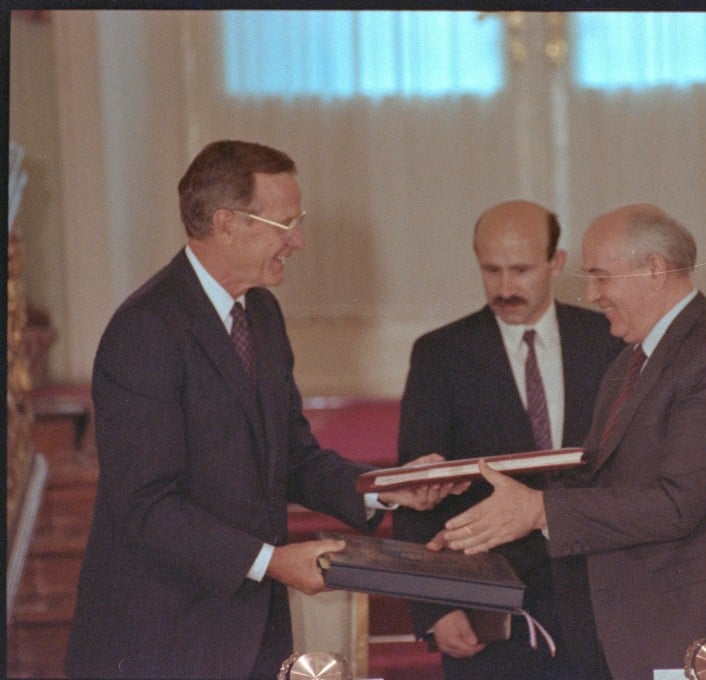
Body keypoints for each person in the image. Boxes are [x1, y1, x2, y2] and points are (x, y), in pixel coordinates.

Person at [64, 140, 462, 680]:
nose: (297, 242)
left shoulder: (262, 314)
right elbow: (146, 505)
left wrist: (384, 486)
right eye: (284, 224)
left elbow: (292, 456)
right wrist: (272, 562)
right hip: (162, 637)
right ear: (227, 223)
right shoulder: (145, 331)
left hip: (250, 630)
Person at [431, 204, 706, 680]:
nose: (593, 295)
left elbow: (678, 503)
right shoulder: (629, 363)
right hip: (655, 627)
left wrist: (537, 510)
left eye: (601, 278)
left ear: (655, 269)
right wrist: (483, 526)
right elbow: (602, 483)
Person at [392, 200, 624, 679]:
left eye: (520, 270)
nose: (505, 287)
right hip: (491, 611)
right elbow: (418, 487)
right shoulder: (440, 355)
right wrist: (434, 606)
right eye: (491, 270)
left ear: (556, 263)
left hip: (602, 601)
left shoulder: (608, 340)